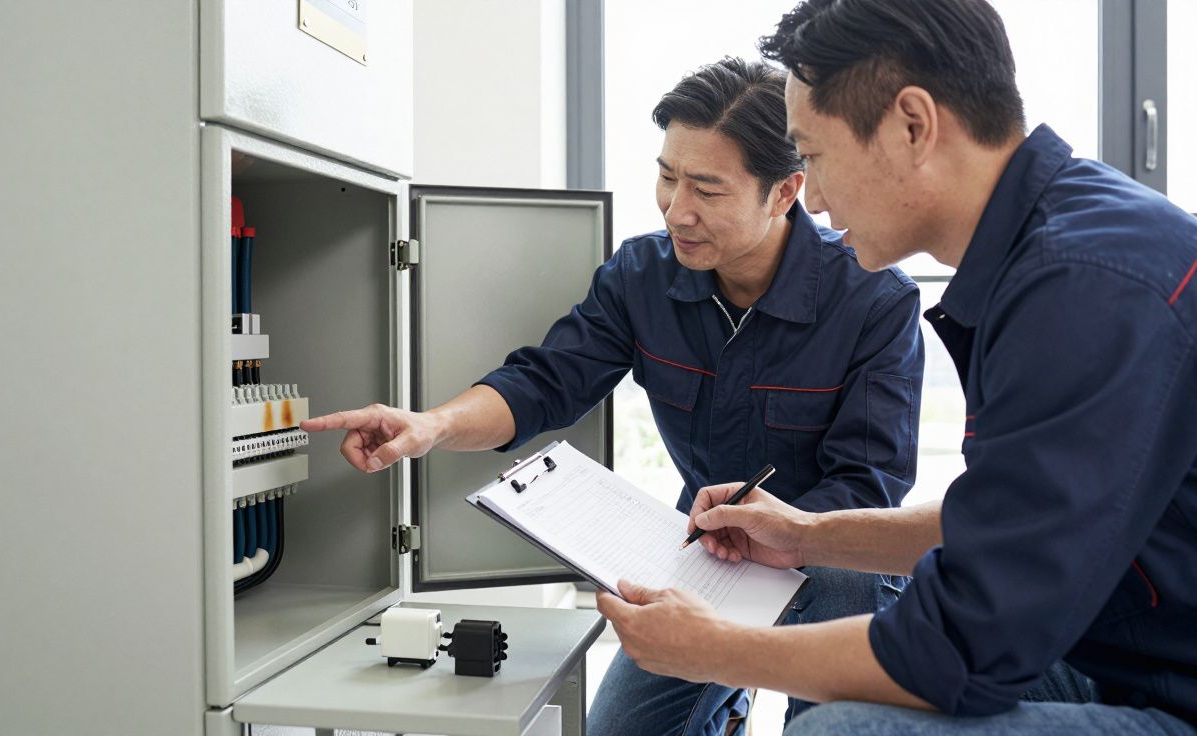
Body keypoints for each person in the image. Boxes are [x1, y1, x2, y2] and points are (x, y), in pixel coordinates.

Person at [595, 1, 1197, 734]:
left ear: (911, 125)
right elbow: (1004, 525)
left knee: (839, 730)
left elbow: (954, 650)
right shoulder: (1053, 245)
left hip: (1183, 692)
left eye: (817, 158)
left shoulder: (1086, 283)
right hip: (1113, 643)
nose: (816, 198)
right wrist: (806, 533)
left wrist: (717, 650)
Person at [303, 57, 924, 734]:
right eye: (667, 177)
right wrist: (430, 425)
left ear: (785, 191)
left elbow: (868, 486)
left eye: (708, 190)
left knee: (829, 725)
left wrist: (789, 535)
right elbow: (544, 383)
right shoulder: (640, 275)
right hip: (710, 553)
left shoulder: (873, 299)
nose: (677, 210)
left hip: (836, 564)